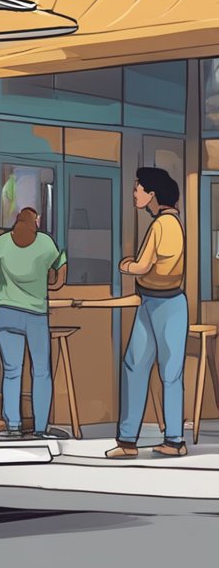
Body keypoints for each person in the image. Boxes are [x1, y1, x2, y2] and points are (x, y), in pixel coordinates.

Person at [106, 167, 188, 459]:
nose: (134, 193)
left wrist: (124, 265)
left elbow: (143, 266)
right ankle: (134, 440)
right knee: (141, 367)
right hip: (153, 302)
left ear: (152, 193)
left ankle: (169, 440)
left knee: (164, 371)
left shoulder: (164, 224)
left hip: (166, 305)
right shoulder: (169, 222)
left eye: (138, 188)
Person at [0, 207, 68, 440]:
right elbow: (61, 270)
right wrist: (52, 287)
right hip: (36, 315)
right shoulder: (45, 243)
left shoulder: (1, 243)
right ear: (35, 221)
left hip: (6, 314)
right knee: (41, 372)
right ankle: (40, 428)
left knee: (11, 372)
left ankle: (13, 427)